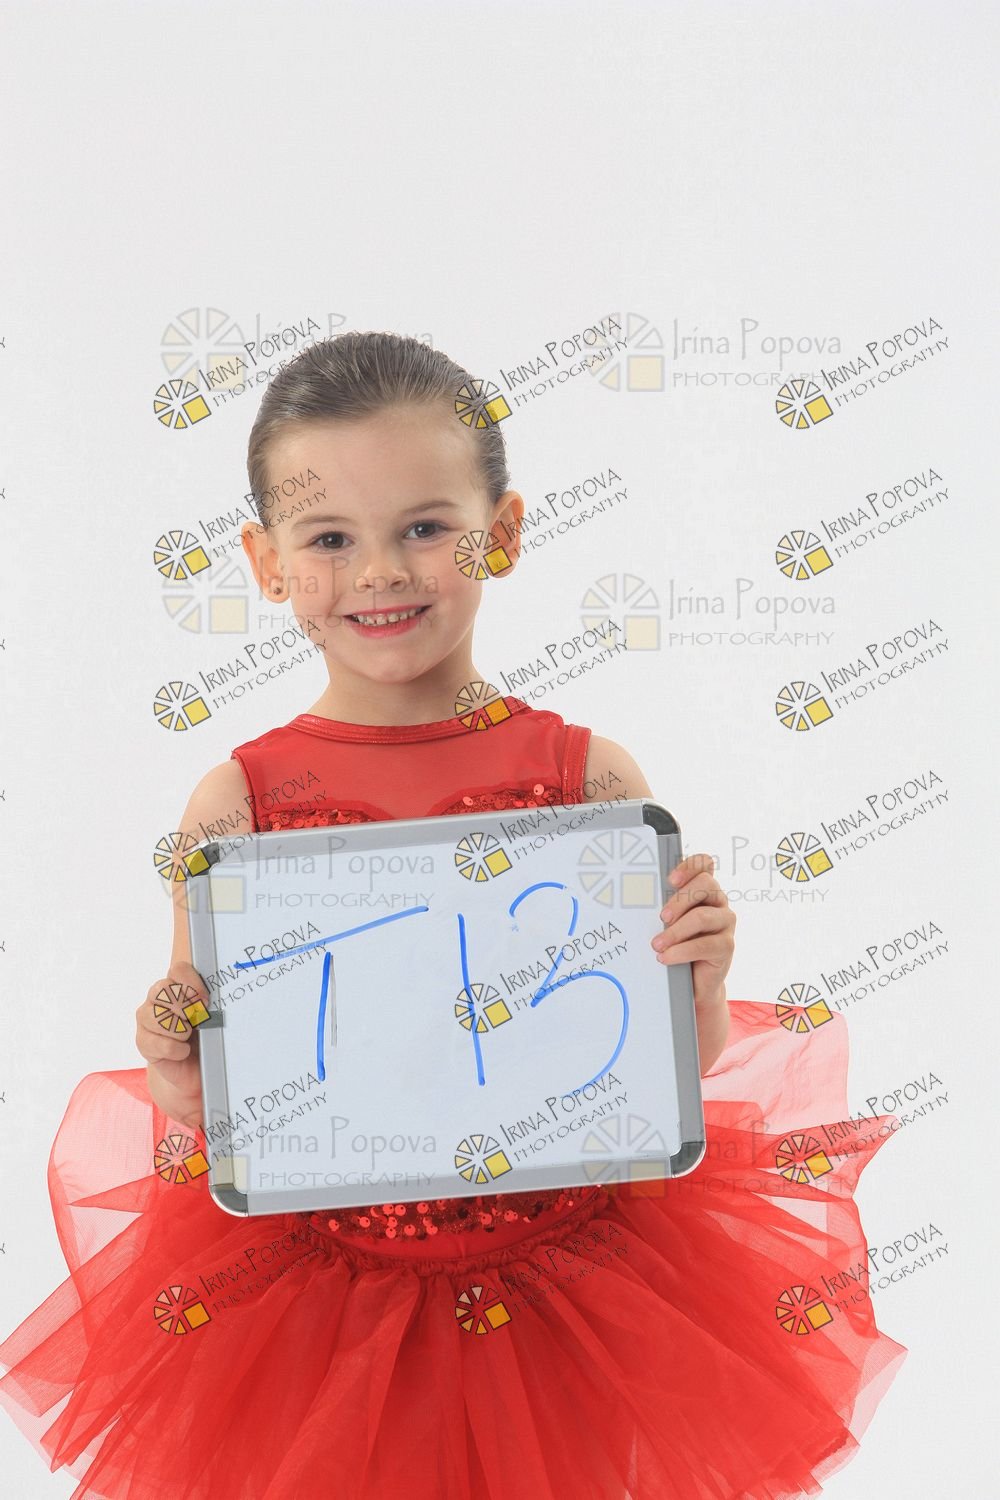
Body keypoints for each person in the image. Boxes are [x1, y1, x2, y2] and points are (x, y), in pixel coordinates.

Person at [0, 331, 907, 1499]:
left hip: (569, 1278)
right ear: (267, 563)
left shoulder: (589, 780)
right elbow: (222, 1104)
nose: (381, 571)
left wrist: (699, 987)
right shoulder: (237, 806)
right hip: (320, 1290)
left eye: (425, 527)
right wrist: (180, 1070)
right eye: (331, 539)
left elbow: (655, 1069)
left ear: (504, 532)